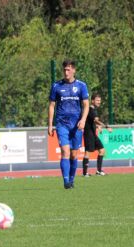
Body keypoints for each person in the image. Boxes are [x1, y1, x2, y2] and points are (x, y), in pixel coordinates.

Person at [48, 60, 89, 189]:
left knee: (74, 154)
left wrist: (83, 120)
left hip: (76, 125)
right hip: (62, 124)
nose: (66, 72)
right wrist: (50, 124)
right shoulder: (56, 86)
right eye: (64, 69)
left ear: (74, 70)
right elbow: (52, 106)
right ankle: (66, 181)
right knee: (65, 151)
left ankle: (71, 179)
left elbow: (86, 105)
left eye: (68, 69)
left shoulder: (81, 86)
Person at [82, 93, 112, 176]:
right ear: (92, 101)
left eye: (100, 100)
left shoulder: (94, 109)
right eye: (97, 100)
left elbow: (93, 121)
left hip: (93, 134)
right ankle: (85, 173)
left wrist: (98, 127)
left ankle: (99, 171)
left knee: (102, 150)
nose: (99, 102)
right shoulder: (90, 109)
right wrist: (106, 126)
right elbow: (95, 120)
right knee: (87, 153)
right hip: (88, 134)